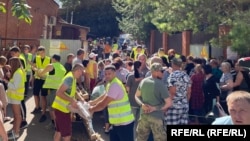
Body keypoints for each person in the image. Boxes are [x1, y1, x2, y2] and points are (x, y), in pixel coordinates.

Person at [89, 65, 135, 141]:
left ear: (114, 73)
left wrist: (92, 109)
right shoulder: (111, 83)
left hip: (124, 123)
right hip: (116, 123)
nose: (107, 76)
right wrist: (93, 102)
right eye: (105, 74)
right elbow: (105, 95)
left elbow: (103, 104)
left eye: (109, 74)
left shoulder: (115, 85)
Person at [135, 63, 172, 141]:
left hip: (144, 116)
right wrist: (154, 108)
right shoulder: (161, 85)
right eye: (162, 71)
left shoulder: (144, 81)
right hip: (157, 117)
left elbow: (136, 96)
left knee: (140, 138)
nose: (163, 73)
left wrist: (142, 105)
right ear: (156, 71)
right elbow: (169, 103)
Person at [52, 63, 85, 141]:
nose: (81, 74)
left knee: (59, 131)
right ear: (78, 70)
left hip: (61, 109)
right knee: (67, 135)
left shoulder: (72, 77)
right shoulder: (70, 78)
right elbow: (59, 92)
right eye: (81, 72)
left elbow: (74, 90)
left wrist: (81, 98)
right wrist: (72, 100)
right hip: (62, 110)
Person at [38, 54, 66, 129]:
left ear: (53, 59)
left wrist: (38, 70)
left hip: (52, 90)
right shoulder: (62, 67)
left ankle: (55, 124)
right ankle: (58, 123)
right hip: (60, 90)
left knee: (51, 108)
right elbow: (51, 75)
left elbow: (41, 74)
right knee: (57, 108)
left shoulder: (51, 65)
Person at [164, 57, 191, 125]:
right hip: (184, 106)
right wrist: (185, 102)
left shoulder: (172, 76)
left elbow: (172, 93)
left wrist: (166, 107)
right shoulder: (186, 75)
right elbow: (189, 92)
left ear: (173, 64)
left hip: (174, 107)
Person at [6, 57, 25, 140]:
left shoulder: (18, 73)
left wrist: (7, 81)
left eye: (10, 63)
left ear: (13, 64)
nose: (9, 65)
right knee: (16, 115)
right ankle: (14, 131)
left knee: (17, 115)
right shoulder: (17, 72)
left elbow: (15, 86)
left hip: (16, 97)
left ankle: (16, 133)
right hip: (15, 97)